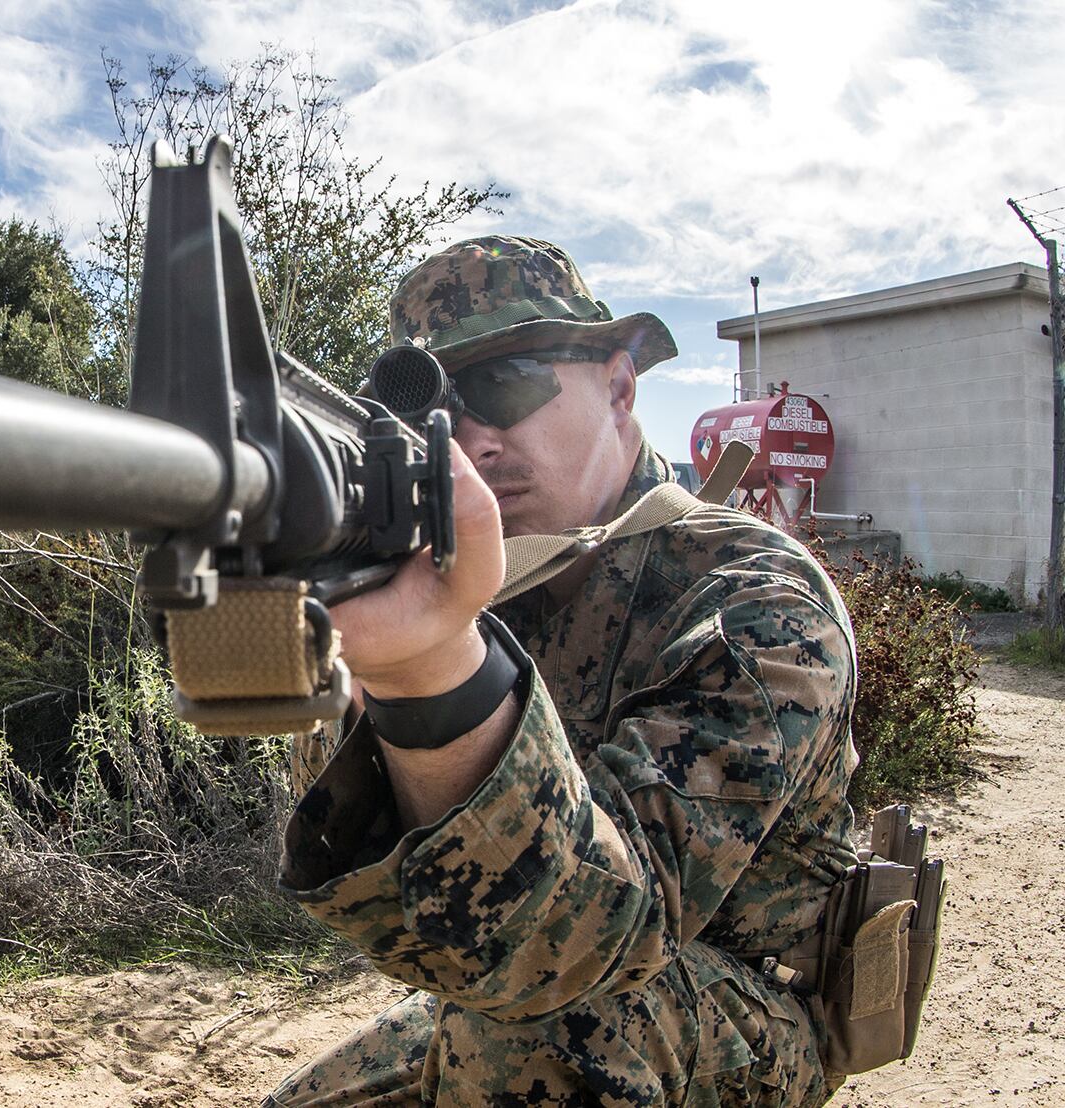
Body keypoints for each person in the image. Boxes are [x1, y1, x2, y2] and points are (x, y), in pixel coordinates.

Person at [266, 236, 858, 1105]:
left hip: (739, 1014)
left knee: (552, 1033)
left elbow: (597, 944)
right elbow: (415, 912)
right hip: (513, 989)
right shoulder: (482, 577)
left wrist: (436, 666)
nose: (471, 442)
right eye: (433, 412)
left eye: (506, 383)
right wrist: (365, 676)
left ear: (619, 386)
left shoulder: (756, 600)